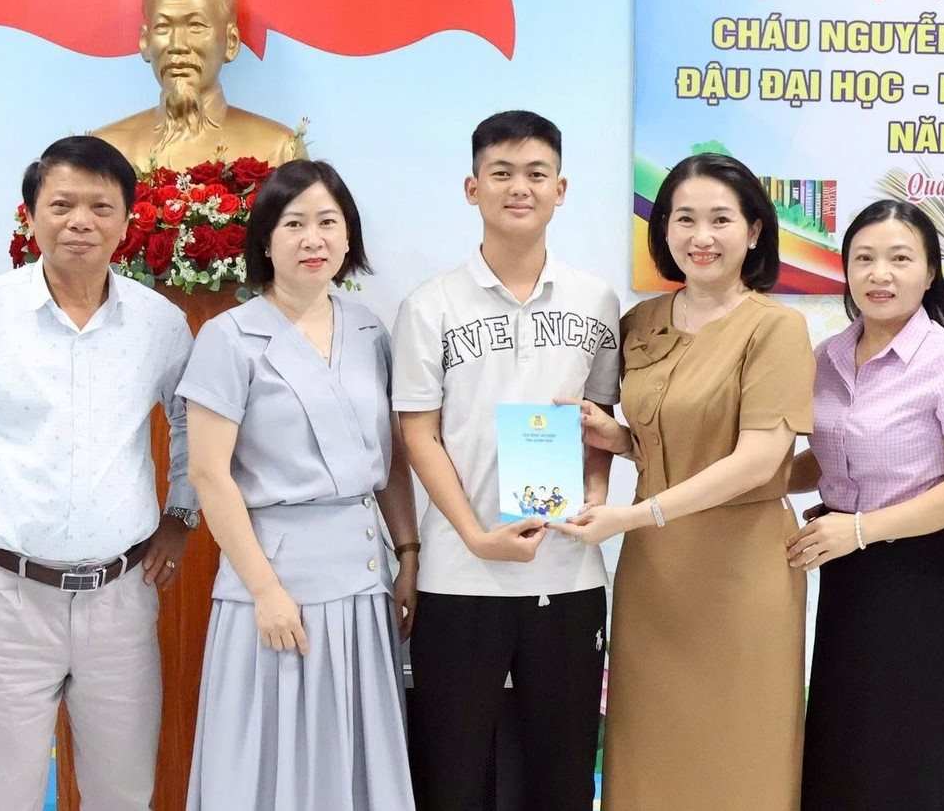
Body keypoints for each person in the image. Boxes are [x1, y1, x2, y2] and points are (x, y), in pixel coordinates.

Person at [0, 135, 197, 811]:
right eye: (61, 204)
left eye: (100, 206)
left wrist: (181, 513)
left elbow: (191, 424)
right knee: (6, 796)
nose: (79, 221)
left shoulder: (159, 324)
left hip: (120, 598)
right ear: (29, 216)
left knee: (122, 793)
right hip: (7, 597)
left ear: (127, 221)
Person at [560, 152, 815, 811]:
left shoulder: (776, 327)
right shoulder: (638, 323)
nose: (701, 236)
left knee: (741, 750)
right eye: (684, 219)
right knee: (648, 747)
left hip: (743, 568)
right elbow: (658, 441)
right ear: (663, 231)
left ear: (755, 231)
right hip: (657, 577)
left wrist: (633, 516)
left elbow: (759, 459)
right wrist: (609, 439)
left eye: (720, 219)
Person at [393, 110, 620, 811]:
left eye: (535, 174)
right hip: (460, 579)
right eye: (501, 173)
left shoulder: (596, 299)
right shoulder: (429, 305)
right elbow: (418, 434)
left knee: (561, 773)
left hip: (568, 574)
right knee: (451, 773)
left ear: (561, 188)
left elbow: (599, 420)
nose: (518, 188)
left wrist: (590, 496)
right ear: (471, 188)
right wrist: (471, 535)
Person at [181, 159, 420, 810]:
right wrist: (264, 590)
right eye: (294, 223)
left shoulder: (370, 328)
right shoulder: (228, 338)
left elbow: (391, 458)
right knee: (267, 760)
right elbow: (209, 473)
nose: (312, 239)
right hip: (274, 584)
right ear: (265, 239)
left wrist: (407, 554)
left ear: (348, 238)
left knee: (354, 758)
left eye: (326, 222)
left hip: (362, 578)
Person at [784, 199, 944, 810]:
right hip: (846, 576)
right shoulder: (826, 356)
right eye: (865, 259)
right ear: (846, 270)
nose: (881, 274)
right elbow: (828, 458)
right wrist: (754, 479)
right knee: (844, 742)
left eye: (900, 259)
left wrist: (859, 529)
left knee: (906, 754)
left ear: (930, 271)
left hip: (920, 581)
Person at [92, 0, 305, 170]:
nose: (177, 45)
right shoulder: (105, 151)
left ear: (231, 42)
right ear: (145, 42)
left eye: (196, 26)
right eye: (163, 27)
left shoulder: (278, 150)